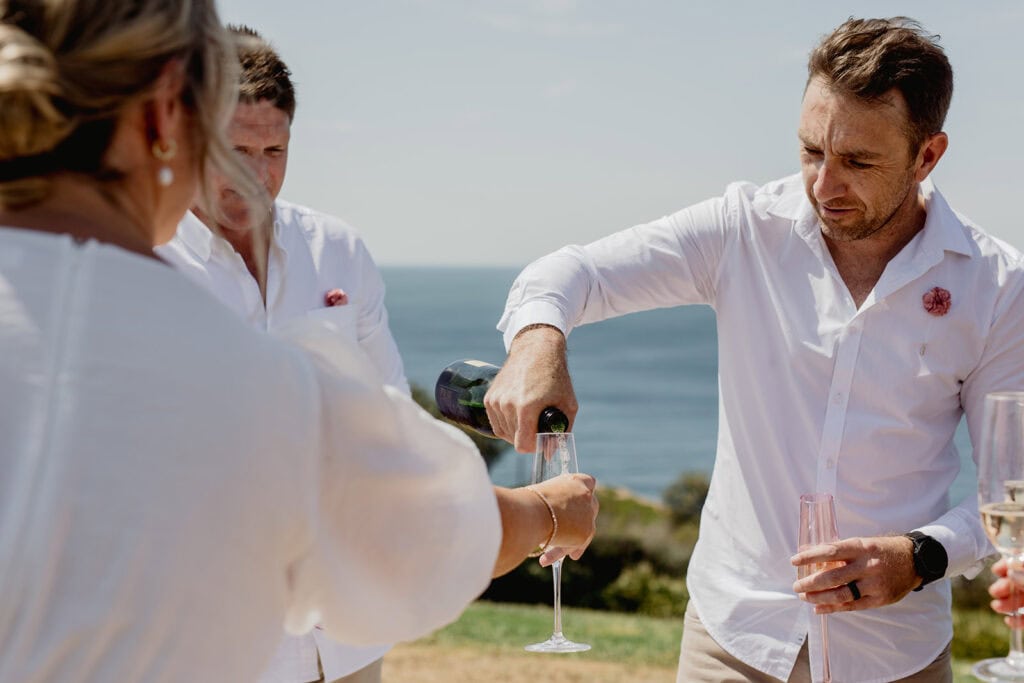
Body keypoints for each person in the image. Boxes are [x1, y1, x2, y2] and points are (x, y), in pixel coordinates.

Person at [0, 1, 598, 681]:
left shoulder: (318, 266)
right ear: (166, 112)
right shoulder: (235, 371)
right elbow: (406, 533)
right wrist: (547, 513)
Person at [484, 16, 1024, 683]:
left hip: (896, 653)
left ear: (927, 156)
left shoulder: (995, 285)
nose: (824, 184)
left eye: (857, 161)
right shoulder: (743, 230)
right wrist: (539, 343)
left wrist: (922, 553)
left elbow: (1010, 484)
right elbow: (571, 274)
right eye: (811, 152)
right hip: (732, 641)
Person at [156, 26, 403, 683]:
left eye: (274, 150)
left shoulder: (339, 249)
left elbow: (391, 420)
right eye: (236, 150)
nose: (258, 175)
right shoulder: (142, 263)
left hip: (345, 639)